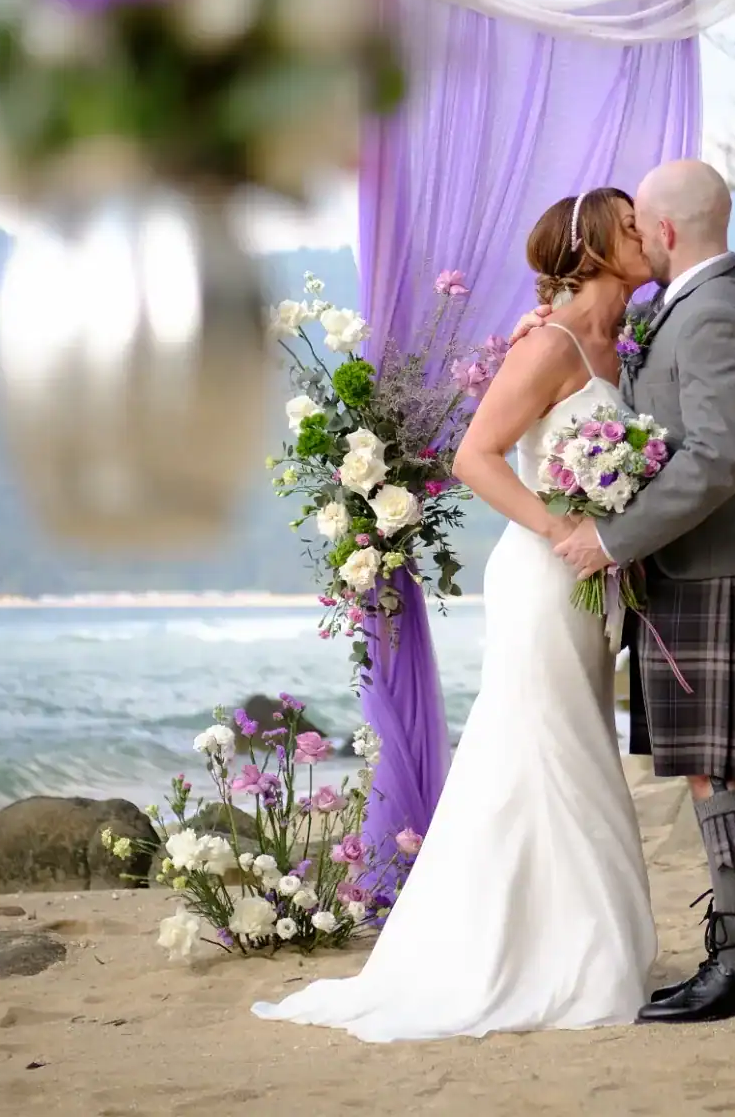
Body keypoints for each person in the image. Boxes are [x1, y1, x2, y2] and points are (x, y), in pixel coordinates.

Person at [252, 187, 657, 1043]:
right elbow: (475, 456)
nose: (645, 234)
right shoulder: (549, 346)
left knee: (566, 746)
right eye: (629, 226)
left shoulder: (620, 347)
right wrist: (564, 530)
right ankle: (541, 957)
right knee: (545, 753)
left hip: (594, 585)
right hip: (546, 579)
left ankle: (561, 942)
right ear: (590, 245)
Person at [521, 157, 735, 1024]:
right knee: (705, 766)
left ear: (667, 231)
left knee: (716, 769)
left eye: (642, 226)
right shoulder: (681, 305)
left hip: (704, 562)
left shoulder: (713, 308)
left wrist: (609, 540)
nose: (637, 239)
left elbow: (718, 457)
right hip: (685, 565)